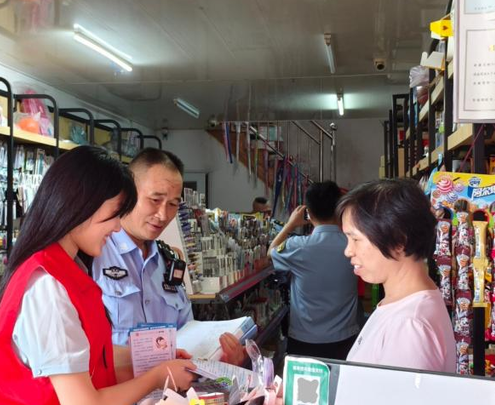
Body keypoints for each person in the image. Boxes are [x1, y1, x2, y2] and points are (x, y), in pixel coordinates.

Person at [0, 146, 196, 405]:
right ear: (81, 205)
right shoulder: (48, 286)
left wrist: (153, 359)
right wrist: (158, 373)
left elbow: (92, 358)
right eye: (113, 214)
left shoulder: (68, 269)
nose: (118, 227)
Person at [92, 148, 247, 365]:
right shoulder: (94, 255)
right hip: (116, 396)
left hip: (170, 395)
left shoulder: (169, 261)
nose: (163, 215)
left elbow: (187, 334)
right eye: (155, 200)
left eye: (173, 204)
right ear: (127, 193)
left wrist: (220, 357)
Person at [337, 178, 456, 373]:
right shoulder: (402, 306)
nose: (348, 251)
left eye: (356, 239)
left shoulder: (409, 326)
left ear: (398, 241)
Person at [268, 181, 360, 360]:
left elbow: (270, 252)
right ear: (339, 210)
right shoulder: (354, 244)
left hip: (305, 339)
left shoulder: (298, 247)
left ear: (308, 213)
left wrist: (290, 224)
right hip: (345, 337)